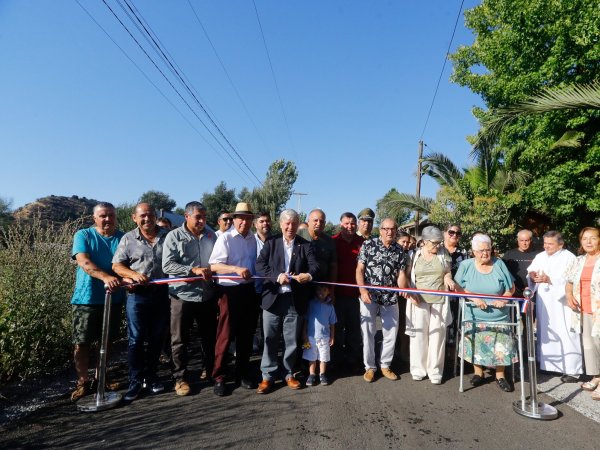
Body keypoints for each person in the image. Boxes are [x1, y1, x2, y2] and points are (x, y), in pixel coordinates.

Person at [255, 209, 318, 394]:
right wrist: (277, 276)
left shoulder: (305, 245)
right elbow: (260, 265)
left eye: (294, 223)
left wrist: (308, 275)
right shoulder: (271, 242)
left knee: (291, 340)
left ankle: (288, 373)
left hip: (294, 300)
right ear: (281, 224)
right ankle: (267, 376)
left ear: (298, 225)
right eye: (287, 223)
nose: (290, 227)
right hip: (272, 299)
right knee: (270, 338)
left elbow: (315, 265)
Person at [112, 203, 170, 401]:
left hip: (162, 294)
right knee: (135, 339)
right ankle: (135, 380)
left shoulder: (168, 236)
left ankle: (152, 376)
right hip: (137, 295)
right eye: (143, 216)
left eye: (150, 215)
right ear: (134, 218)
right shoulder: (128, 238)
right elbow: (117, 265)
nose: (147, 219)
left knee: (157, 337)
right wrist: (132, 274)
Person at [69, 202, 125, 402]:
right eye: (103, 216)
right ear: (95, 218)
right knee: (82, 342)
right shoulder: (83, 235)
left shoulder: (123, 238)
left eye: (111, 215)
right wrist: (105, 277)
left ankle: (101, 377)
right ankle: (82, 382)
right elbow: (84, 262)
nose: (107, 219)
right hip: (87, 298)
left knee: (107, 341)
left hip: (114, 298)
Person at [162, 201, 217, 396]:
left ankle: (209, 370)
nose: (202, 221)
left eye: (204, 217)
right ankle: (180, 378)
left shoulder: (211, 236)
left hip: (207, 295)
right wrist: (192, 270)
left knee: (209, 337)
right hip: (182, 296)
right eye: (198, 217)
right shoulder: (174, 236)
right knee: (179, 340)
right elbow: (167, 265)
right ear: (187, 217)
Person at [453, 233, 516, 392]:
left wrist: (504, 299)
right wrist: (473, 297)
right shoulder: (466, 265)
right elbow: (457, 287)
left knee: (501, 346)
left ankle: (500, 375)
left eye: (488, 249)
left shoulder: (499, 264)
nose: (485, 253)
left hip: (499, 316)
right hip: (474, 316)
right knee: (476, 344)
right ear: (474, 252)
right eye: (481, 250)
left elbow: (511, 288)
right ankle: (478, 372)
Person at [209, 202, 259, 396]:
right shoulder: (225, 238)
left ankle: (242, 373)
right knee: (225, 335)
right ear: (234, 219)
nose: (244, 222)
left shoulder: (253, 239)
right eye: (240, 218)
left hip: (248, 290)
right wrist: (235, 269)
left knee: (246, 335)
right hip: (229, 292)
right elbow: (214, 266)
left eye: (248, 218)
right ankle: (219, 377)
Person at [356, 218, 410, 382]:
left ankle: (385, 365)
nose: (389, 232)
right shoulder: (368, 245)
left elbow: (401, 275)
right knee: (368, 332)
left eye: (392, 229)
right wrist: (362, 290)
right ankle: (370, 367)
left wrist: (404, 289)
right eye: (386, 229)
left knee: (391, 333)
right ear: (380, 230)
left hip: (390, 297)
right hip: (369, 296)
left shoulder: (400, 250)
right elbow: (359, 270)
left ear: (396, 230)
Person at [527, 230, 581, 382]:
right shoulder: (540, 256)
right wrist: (532, 275)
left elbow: (572, 280)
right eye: (545, 243)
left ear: (560, 244)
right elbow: (531, 270)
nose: (546, 246)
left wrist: (549, 279)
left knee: (566, 331)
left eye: (550, 244)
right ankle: (550, 365)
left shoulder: (569, 257)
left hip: (562, 303)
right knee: (547, 331)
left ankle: (572, 369)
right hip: (545, 300)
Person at [406, 226, 454, 384]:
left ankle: (435, 372)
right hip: (419, 300)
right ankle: (418, 370)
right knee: (418, 335)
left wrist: (448, 278)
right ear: (424, 241)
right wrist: (410, 292)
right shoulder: (413, 255)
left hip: (439, 300)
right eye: (434, 243)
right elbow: (406, 276)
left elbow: (447, 271)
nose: (437, 246)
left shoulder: (443, 253)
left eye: (439, 242)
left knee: (437, 336)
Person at [565, 227, 600, 399]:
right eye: (585, 238)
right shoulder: (578, 260)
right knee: (589, 345)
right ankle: (596, 376)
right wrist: (569, 295)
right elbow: (569, 282)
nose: (588, 242)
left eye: (592, 238)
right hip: (584, 309)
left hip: (598, 310)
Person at [331, 212, 364, 372]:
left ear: (356, 225)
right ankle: (336, 360)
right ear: (341, 224)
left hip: (356, 295)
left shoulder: (362, 243)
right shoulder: (333, 241)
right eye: (346, 223)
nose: (349, 226)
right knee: (337, 330)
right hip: (337, 294)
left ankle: (353, 360)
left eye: (352, 223)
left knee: (354, 330)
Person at [302, 285, 337, 386]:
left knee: (323, 357)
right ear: (315, 291)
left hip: (325, 337)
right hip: (310, 337)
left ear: (328, 292)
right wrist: (304, 334)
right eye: (319, 289)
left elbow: (332, 323)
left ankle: (322, 374)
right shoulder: (311, 303)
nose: (321, 292)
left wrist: (332, 336)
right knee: (311, 357)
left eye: (324, 290)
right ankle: (312, 374)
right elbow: (306, 319)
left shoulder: (330, 306)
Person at [297, 208, 337, 289]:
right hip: (299, 285)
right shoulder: (298, 235)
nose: (318, 223)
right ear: (308, 221)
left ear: (325, 223)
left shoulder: (329, 241)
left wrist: (331, 289)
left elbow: (333, 266)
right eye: (315, 220)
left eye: (321, 221)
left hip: (321, 287)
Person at [443, 224, 469, 346]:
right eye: (451, 232)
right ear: (444, 233)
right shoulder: (437, 250)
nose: (455, 235)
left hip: (457, 294)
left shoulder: (464, 253)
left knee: (454, 325)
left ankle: (453, 355)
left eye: (458, 233)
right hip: (439, 293)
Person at [503, 229, 538, 298]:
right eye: (521, 240)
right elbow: (502, 272)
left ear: (531, 240)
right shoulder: (509, 254)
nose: (524, 243)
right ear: (518, 240)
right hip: (514, 292)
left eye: (526, 240)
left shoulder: (538, 255)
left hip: (533, 292)